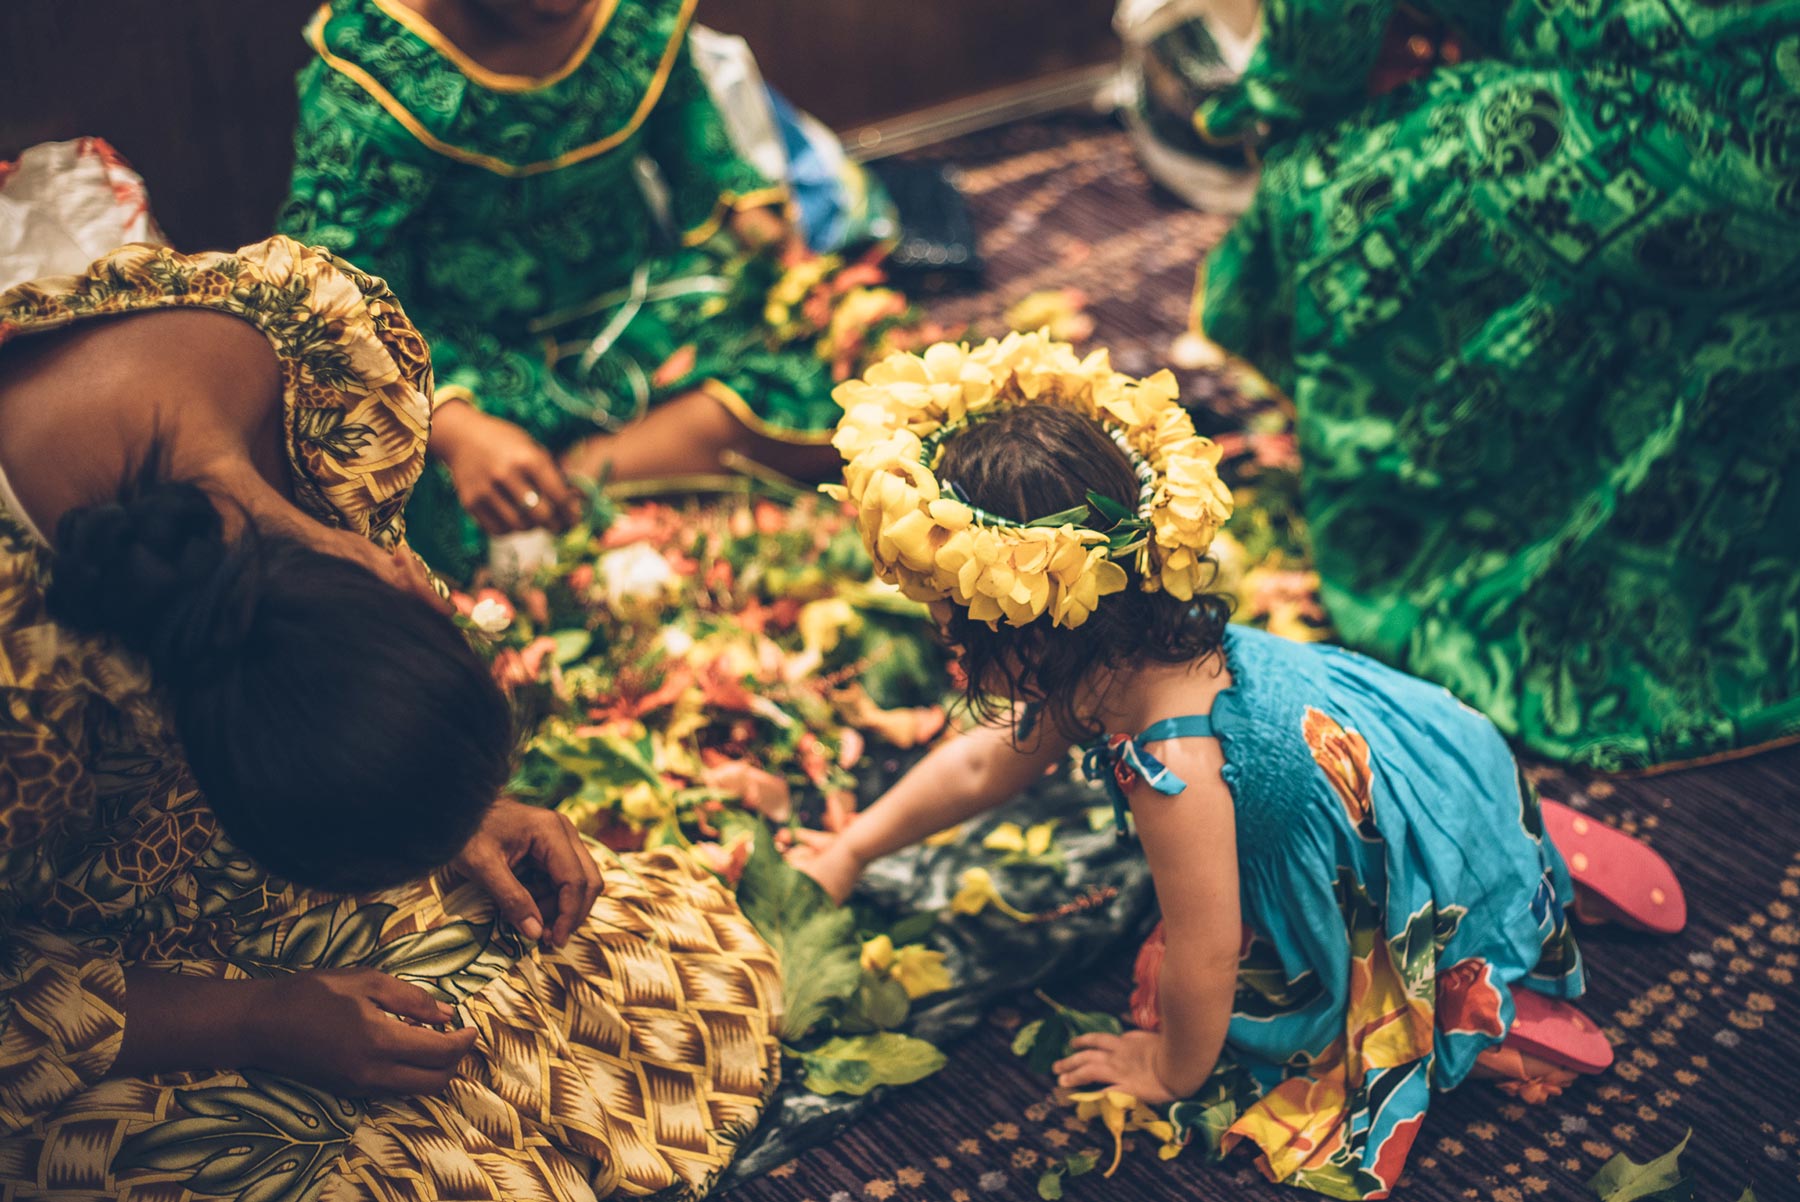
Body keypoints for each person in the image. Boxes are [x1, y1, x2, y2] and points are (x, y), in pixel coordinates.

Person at [792, 333, 1681, 1198]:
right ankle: (1499, 847)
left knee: (1203, 995)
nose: (941, 635)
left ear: (1025, 630)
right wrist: (852, 851)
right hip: (1438, 751)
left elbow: (1208, 952)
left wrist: (1170, 1069)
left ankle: (1475, 1008)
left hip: (1353, 846)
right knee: (1444, 808)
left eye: (950, 618)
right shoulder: (1134, 643)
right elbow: (986, 767)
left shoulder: (1172, 765)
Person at [0, 237, 780, 1200]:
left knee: (628, 962)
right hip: (65, 960)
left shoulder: (318, 355)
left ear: (400, 583)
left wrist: (462, 814)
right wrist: (253, 1020)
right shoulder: (17, 690)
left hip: (247, 854)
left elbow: (342, 689)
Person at [1190, 0, 1800, 772]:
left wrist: (1270, 107)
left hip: (1690, 133)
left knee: (1334, 178)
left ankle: (1457, 531)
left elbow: (1324, 31)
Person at [278, 0, 871, 580]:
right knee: (388, 492)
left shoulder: (631, 14)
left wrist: (784, 262)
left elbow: (700, 152)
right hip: (457, 355)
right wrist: (459, 429)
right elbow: (332, 286)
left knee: (848, 372)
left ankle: (573, 484)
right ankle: (605, 481)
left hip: (634, 308)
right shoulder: (375, 66)